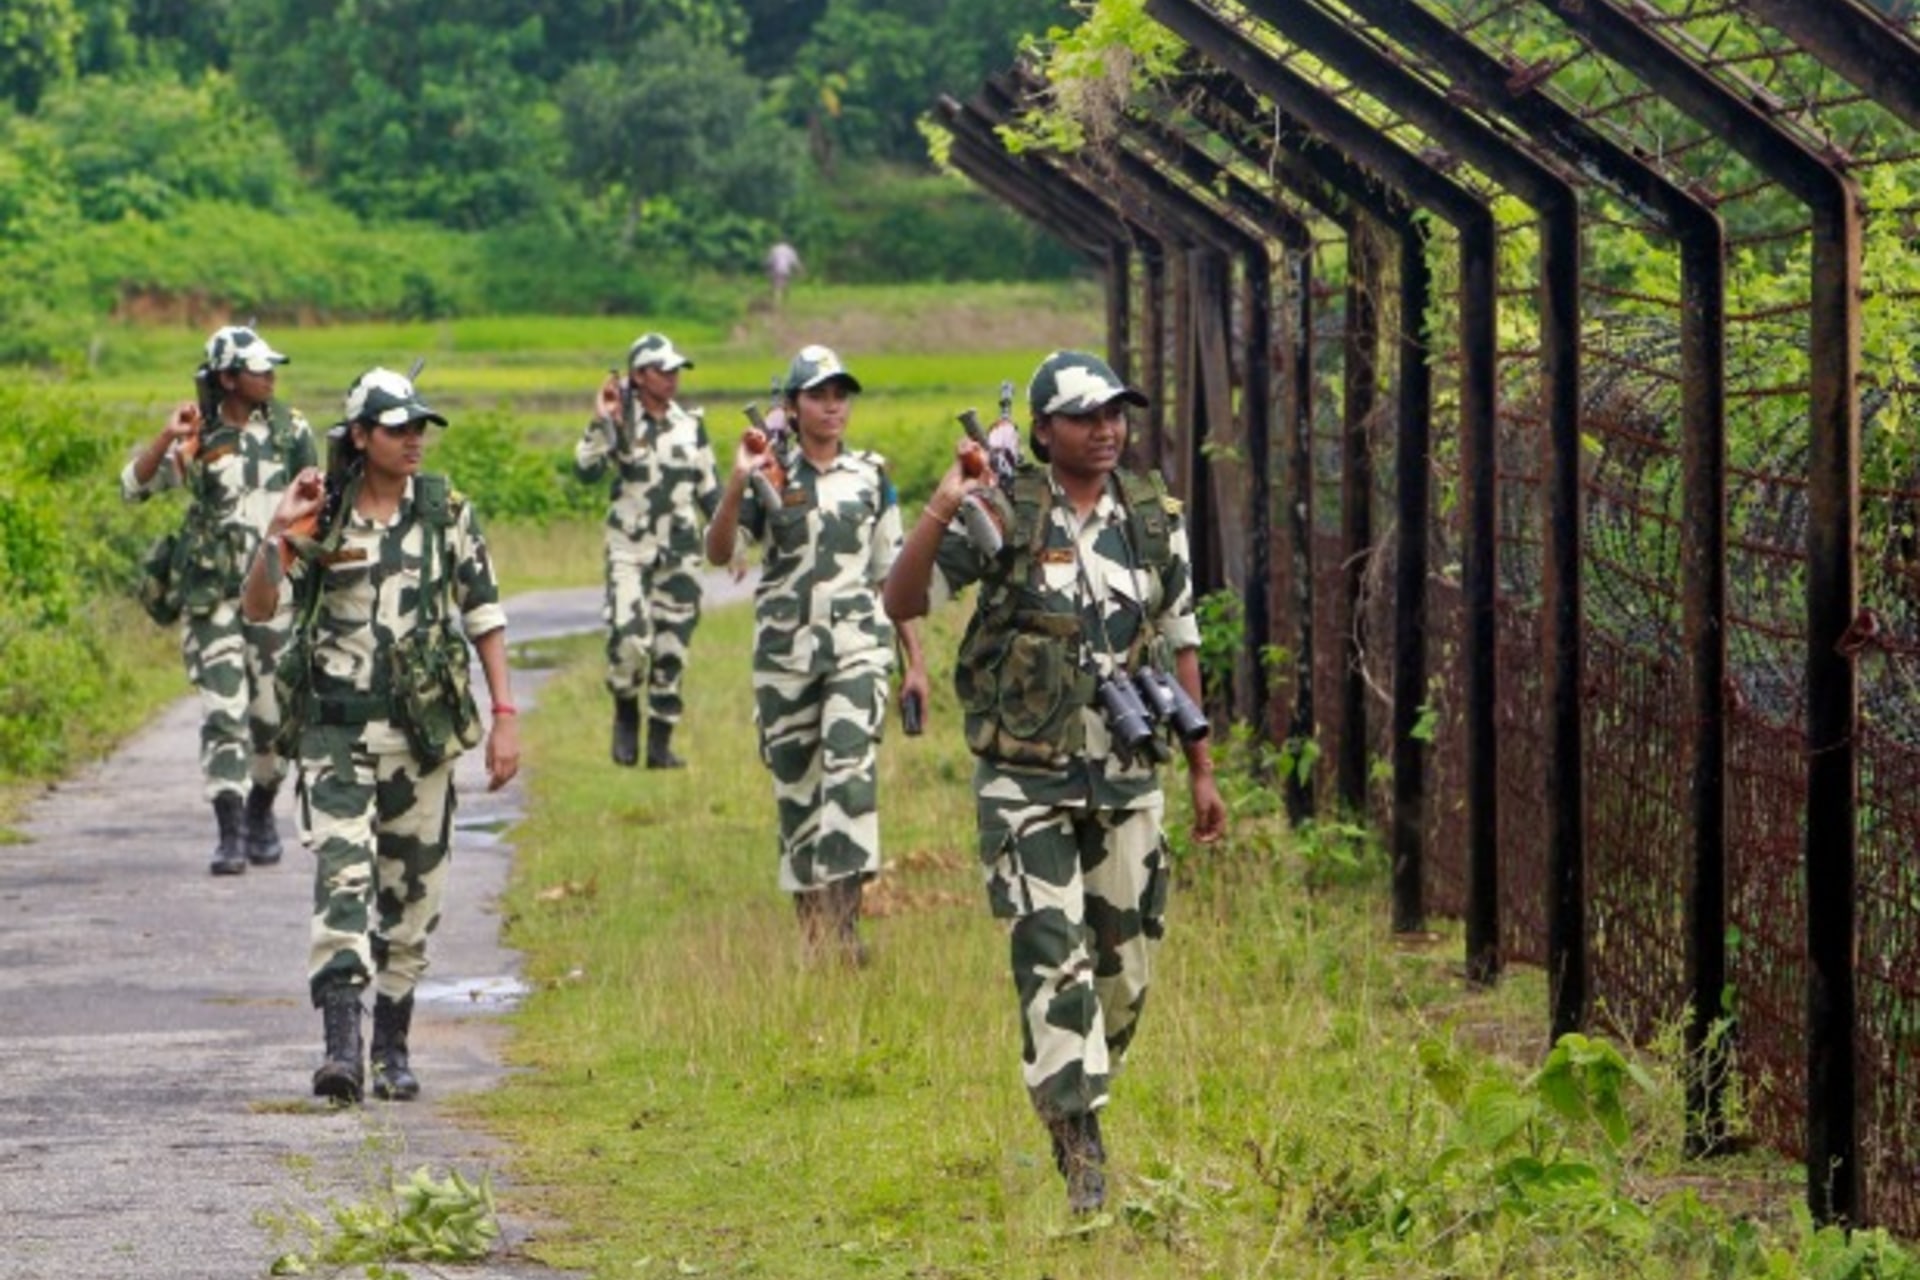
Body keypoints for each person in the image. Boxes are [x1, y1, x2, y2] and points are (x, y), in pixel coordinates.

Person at [881, 350, 1228, 1215]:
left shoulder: (1153, 518)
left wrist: (1202, 769)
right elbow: (901, 599)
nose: (1106, 429)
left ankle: (1076, 1088)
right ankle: (1080, 1149)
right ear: (1042, 431)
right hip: (1023, 781)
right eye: (1085, 416)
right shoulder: (1003, 510)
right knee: (1053, 962)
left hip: (1126, 776)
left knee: (1125, 976)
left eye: (1116, 413)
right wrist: (943, 506)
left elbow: (1182, 638)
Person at [240, 367, 519, 1104]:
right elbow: (260, 603)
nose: (413, 441)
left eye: (419, 428)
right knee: (342, 884)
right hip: (336, 737)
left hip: (421, 741)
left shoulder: (447, 512)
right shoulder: (321, 516)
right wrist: (278, 532)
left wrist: (505, 716)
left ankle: (393, 1045)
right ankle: (342, 1053)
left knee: (413, 901)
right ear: (360, 437)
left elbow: (482, 614)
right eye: (397, 429)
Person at [704, 344, 929, 963]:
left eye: (840, 395)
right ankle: (813, 932)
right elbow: (721, 551)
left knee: (851, 775)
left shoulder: (872, 477)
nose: (833, 406)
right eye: (818, 395)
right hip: (785, 656)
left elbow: (893, 574)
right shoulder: (769, 477)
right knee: (797, 788)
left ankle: (846, 926)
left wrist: (915, 663)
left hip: (859, 647)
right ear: (793, 405)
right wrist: (735, 482)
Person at [122, 324, 317, 876]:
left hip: (274, 595)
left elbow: (316, 502)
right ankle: (229, 831)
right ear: (229, 378)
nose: (271, 377)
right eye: (259, 370)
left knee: (273, 718)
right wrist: (166, 438)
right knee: (223, 712)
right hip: (213, 598)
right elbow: (134, 487)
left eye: (272, 369)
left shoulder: (291, 431)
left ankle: (260, 808)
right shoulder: (198, 437)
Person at [575, 333, 723, 769]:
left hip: (680, 552)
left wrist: (730, 542)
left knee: (672, 649)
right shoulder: (618, 419)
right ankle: (624, 710)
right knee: (629, 638)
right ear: (639, 376)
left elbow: (709, 490)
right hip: (629, 550)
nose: (673, 378)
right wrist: (604, 421)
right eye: (663, 371)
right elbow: (585, 472)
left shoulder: (691, 424)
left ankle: (660, 745)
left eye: (677, 370)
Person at [766, 240, 801, 308]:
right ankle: (784, 303)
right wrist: (800, 270)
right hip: (785, 271)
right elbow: (795, 262)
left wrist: (767, 269)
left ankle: (776, 303)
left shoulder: (774, 249)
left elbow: (769, 261)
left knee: (776, 287)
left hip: (776, 270)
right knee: (785, 287)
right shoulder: (790, 250)